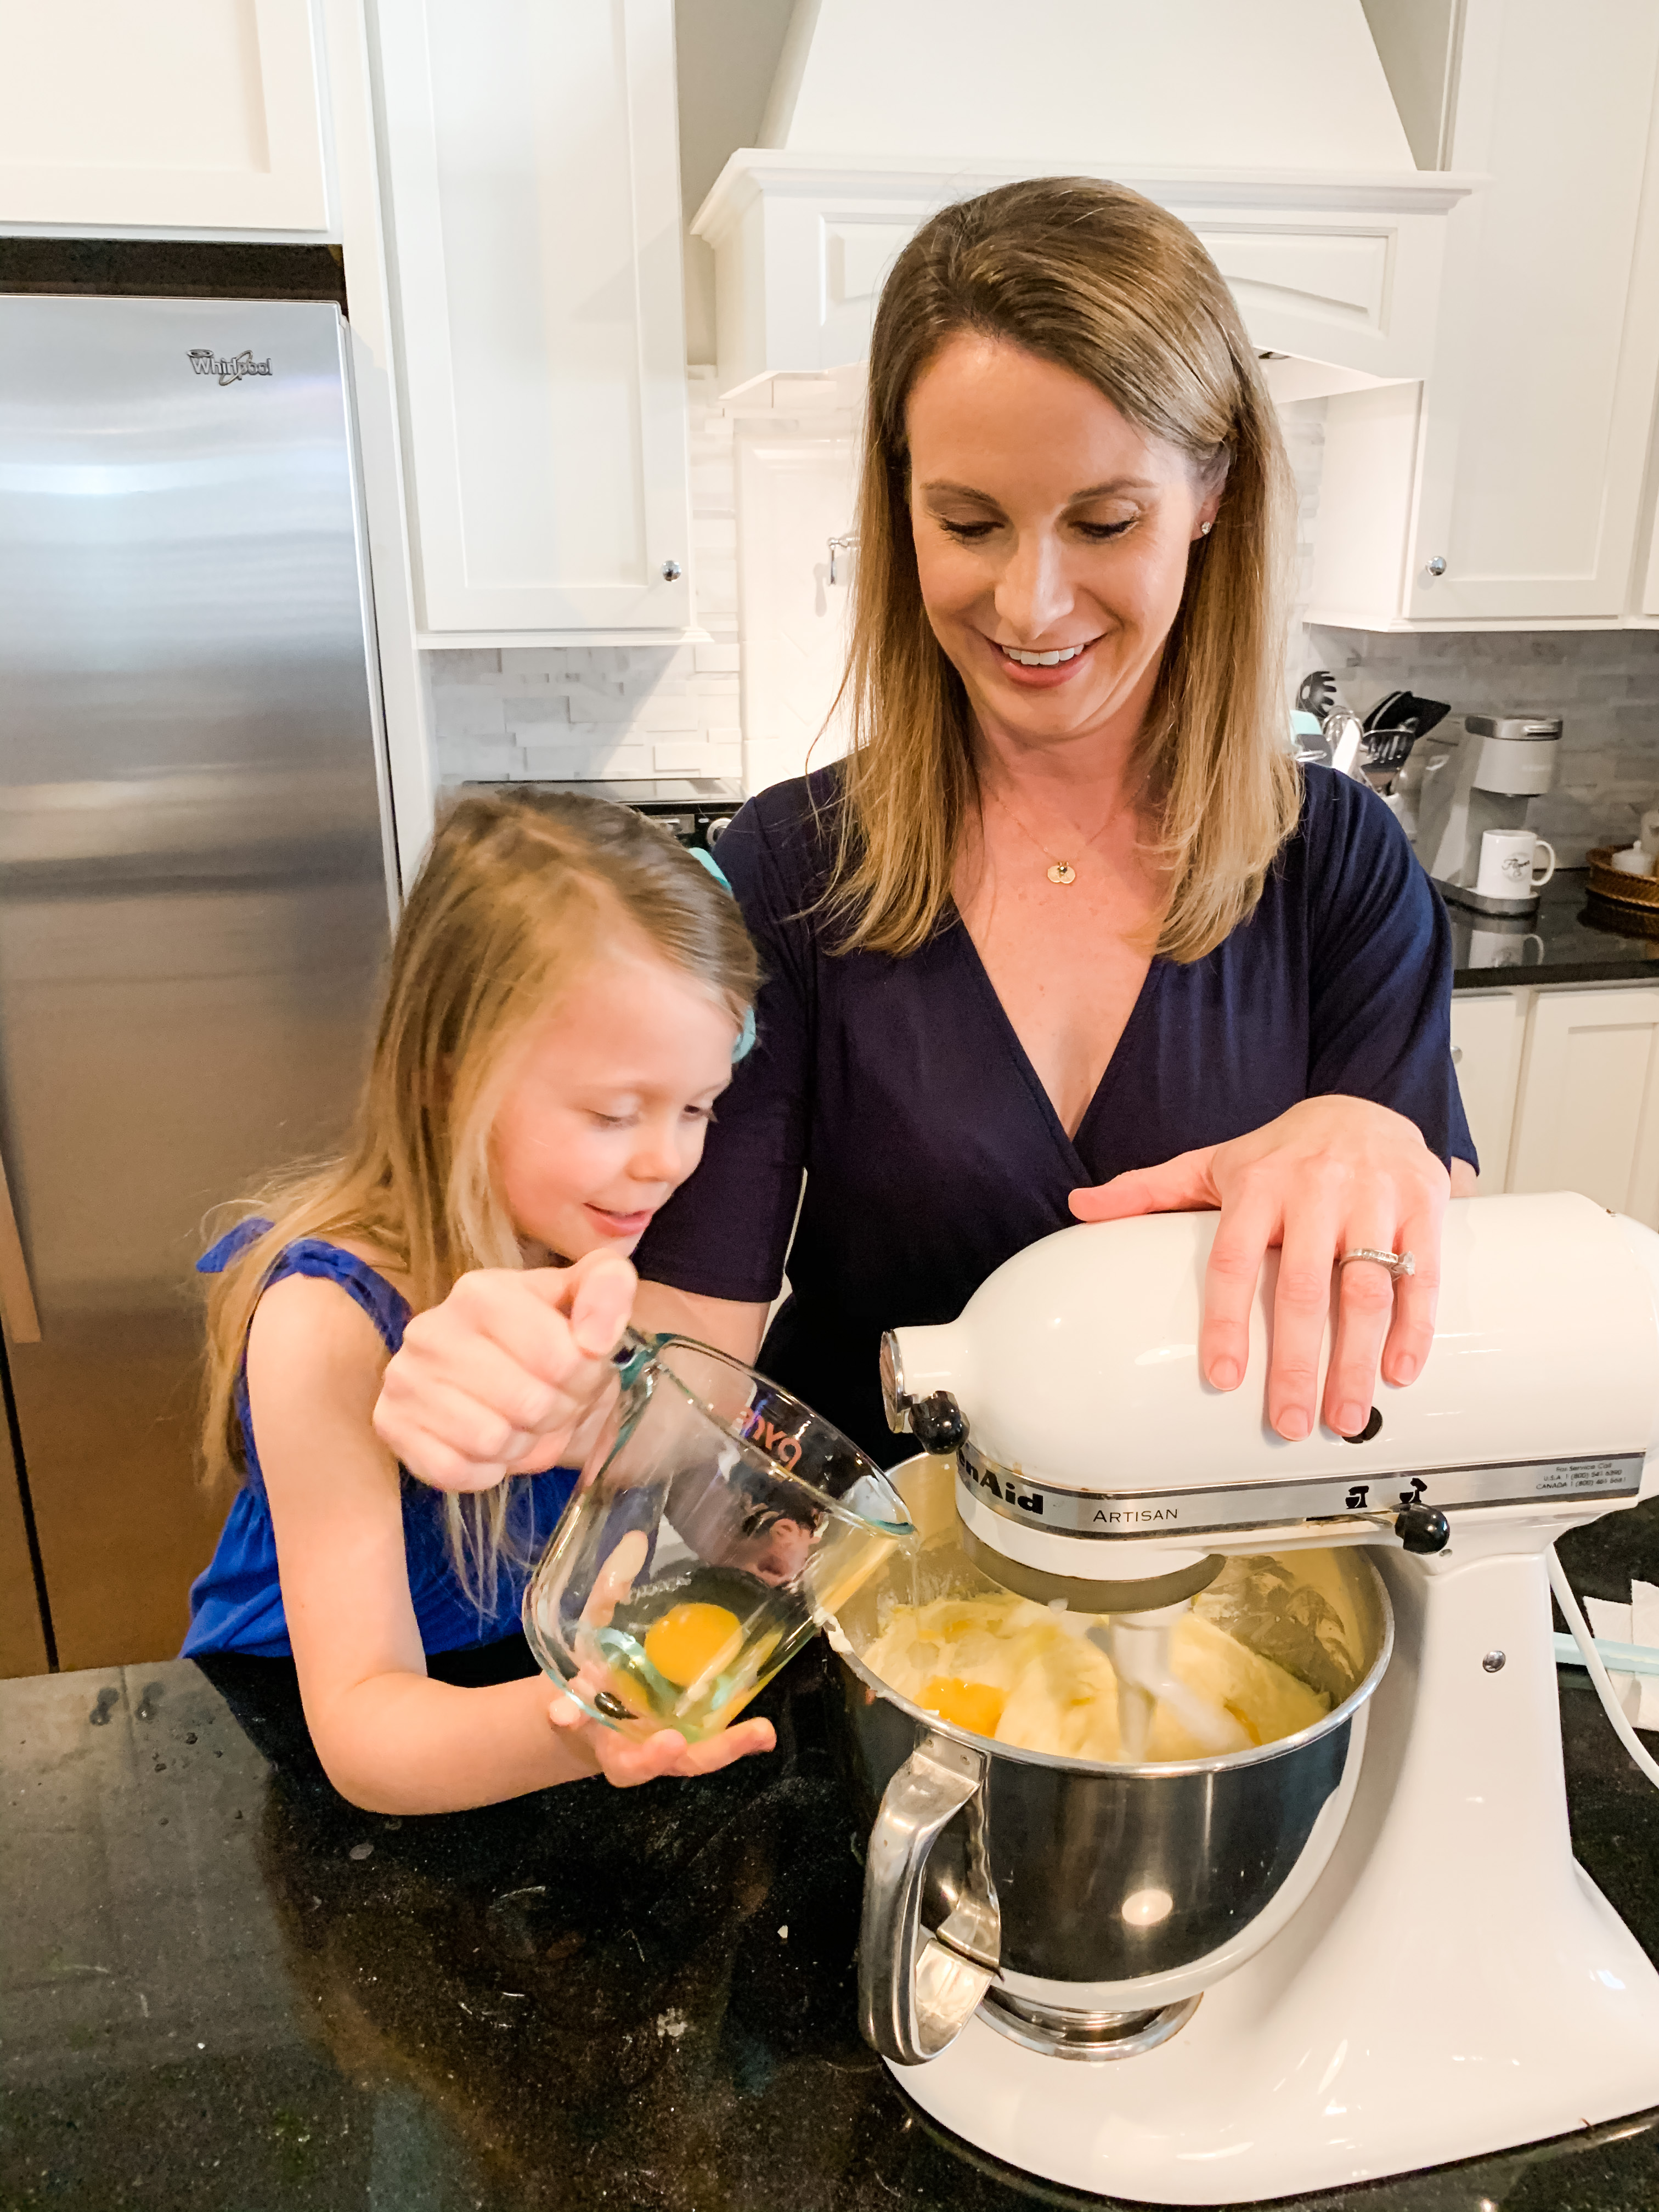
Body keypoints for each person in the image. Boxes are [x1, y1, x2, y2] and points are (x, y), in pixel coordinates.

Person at [372, 176, 1476, 1497]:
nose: (1032, 599)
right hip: (888, 1603)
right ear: (901, 507)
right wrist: (540, 1399)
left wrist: (1372, 1142)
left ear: (1212, 493)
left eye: (1104, 520)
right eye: (969, 523)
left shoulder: (1339, 867)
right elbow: (692, 1370)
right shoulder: (790, 871)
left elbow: (1428, 1305)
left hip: (1234, 1604)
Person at [182, 790, 776, 1812]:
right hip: (344, 1766)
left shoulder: (573, 1249)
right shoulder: (326, 1322)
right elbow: (367, 1730)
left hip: (519, 1703)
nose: (667, 1161)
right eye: (612, 1111)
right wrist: (592, 1730)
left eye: (697, 1108)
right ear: (443, 1075)